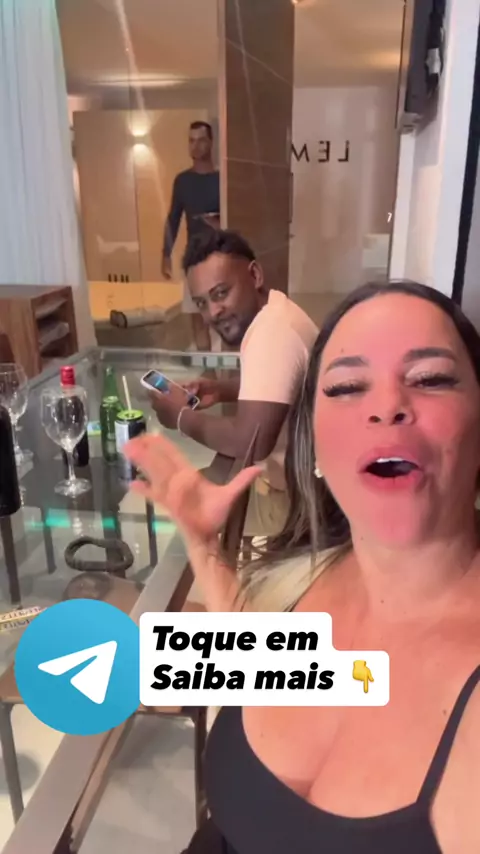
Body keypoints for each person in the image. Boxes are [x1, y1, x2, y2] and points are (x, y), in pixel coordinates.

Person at [126, 280, 480, 854]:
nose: (386, 405)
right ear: (313, 441)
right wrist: (203, 547)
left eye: (430, 378)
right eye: (346, 387)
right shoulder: (310, 572)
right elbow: (266, 664)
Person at [151, 228, 319, 535]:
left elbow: (248, 441)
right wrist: (222, 389)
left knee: (178, 505)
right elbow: (282, 381)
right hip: (297, 485)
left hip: (292, 506)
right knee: (186, 485)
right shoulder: (277, 312)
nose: (213, 312)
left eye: (220, 293)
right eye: (201, 303)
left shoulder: (272, 332)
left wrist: (180, 417)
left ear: (254, 275)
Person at [162, 121, 220, 351]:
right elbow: (173, 218)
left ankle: (230, 370)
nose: (195, 145)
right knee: (197, 319)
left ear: (211, 142)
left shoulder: (222, 179)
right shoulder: (183, 181)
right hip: (193, 260)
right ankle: (208, 370)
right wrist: (165, 254)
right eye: (191, 140)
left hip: (220, 258)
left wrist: (218, 224)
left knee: (224, 320)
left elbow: (240, 217)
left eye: (201, 140)